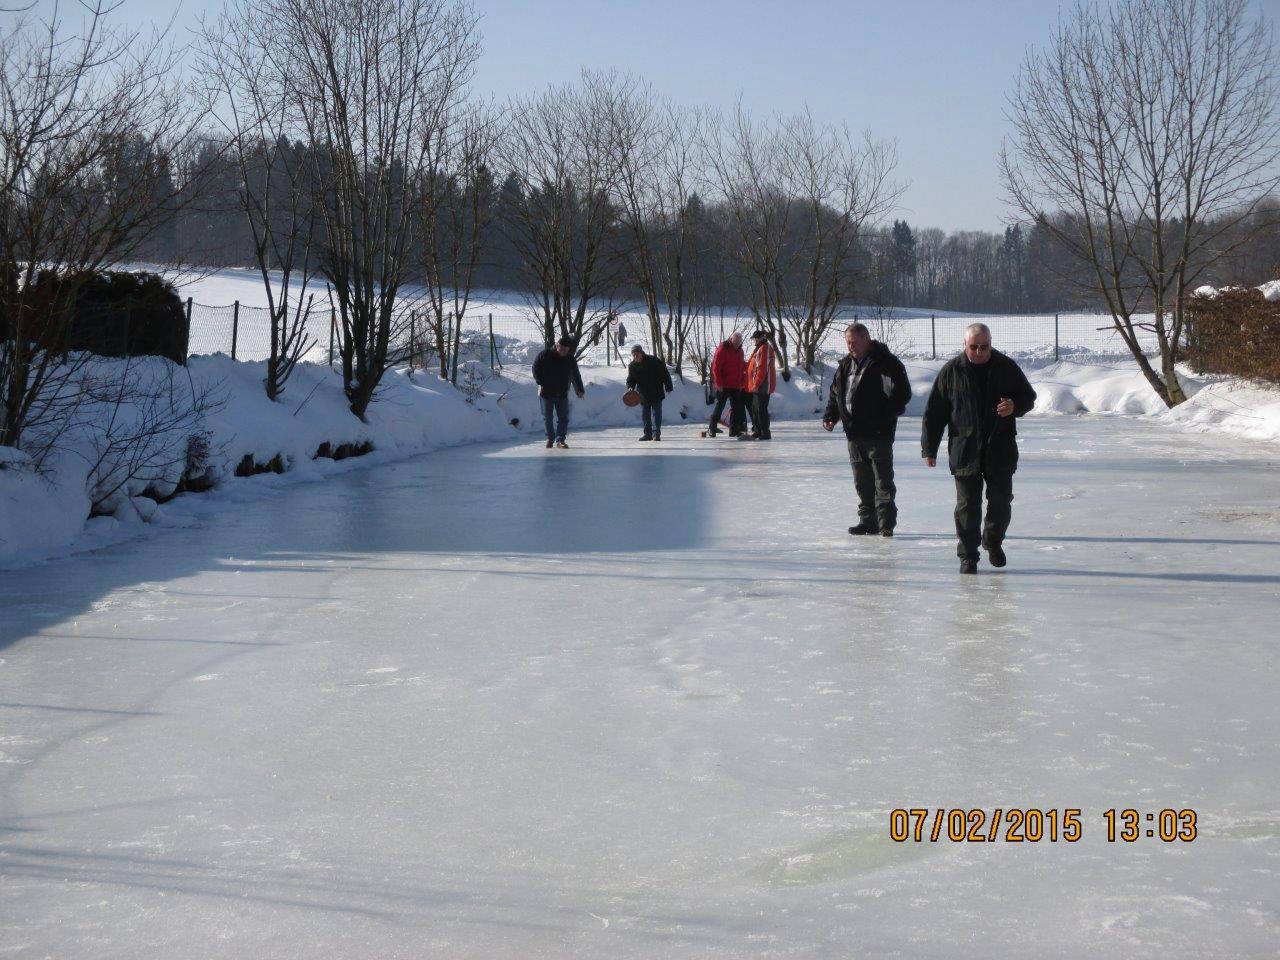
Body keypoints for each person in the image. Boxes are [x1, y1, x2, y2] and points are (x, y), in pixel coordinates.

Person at [921, 323, 1037, 574]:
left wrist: (1014, 405)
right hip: (965, 449)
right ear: (964, 345)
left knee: (1001, 502)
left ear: (991, 344)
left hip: (1000, 448)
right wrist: (929, 449)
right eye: (974, 347)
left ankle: (993, 542)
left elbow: (1029, 397)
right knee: (967, 506)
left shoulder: (1006, 367)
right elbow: (935, 413)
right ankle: (968, 556)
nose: (979, 352)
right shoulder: (951, 371)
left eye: (985, 347)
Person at [822, 322, 912, 537]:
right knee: (862, 482)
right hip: (854, 434)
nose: (850, 347)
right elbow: (836, 393)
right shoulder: (845, 365)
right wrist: (831, 416)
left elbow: (902, 395)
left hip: (878, 434)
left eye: (853, 342)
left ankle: (886, 522)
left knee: (882, 480)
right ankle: (867, 521)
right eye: (847, 343)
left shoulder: (886, 363)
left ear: (866, 338)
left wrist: (883, 417)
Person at [532, 336, 586, 449]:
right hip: (546, 392)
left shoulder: (570, 359)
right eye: (562, 349)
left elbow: (576, 375)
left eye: (566, 350)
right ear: (557, 346)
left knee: (563, 417)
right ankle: (550, 438)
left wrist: (580, 390)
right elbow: (535, 368)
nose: (564, 352)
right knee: (547, 417)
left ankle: (560, 440)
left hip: (562, 392)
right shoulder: (545, 355)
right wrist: (540, 382)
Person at [626, 344, 674, 441]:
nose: (635, 356)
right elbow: (631, 379)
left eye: (637, 354)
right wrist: (630, 387)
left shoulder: (653, 360)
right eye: (633, 355)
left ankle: (656, 434)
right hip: (643, 394)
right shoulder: (632, 366)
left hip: (656, 391)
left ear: (641, 353)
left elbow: (664, 373)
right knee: (645, 415)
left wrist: (668, 386)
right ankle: (647, 434)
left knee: (656, 414)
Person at [708, 332, 747, 437]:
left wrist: (742, 381)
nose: (737, 344)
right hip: (724, 384)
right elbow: (716, 367)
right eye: (736, 342)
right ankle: (712, 427)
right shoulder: (723, 349)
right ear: (731, 340)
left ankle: (734, 430)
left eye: (739, 342)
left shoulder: (740, 351)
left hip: (735, 385)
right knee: (720, 405)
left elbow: (741, 367)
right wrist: (718, 383)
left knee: (736, 407)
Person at [742, 330, 776, 440]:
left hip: (764, 385)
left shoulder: (765, 348)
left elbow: (762, 368)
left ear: (760, 338)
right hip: (757, 385)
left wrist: (756, 384)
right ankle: (757, 431)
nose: (754, 341)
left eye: (755, 339)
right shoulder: (759, 348)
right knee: (755, 409)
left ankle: (765, 432)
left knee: (761, 409)